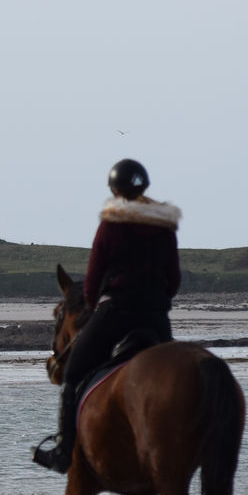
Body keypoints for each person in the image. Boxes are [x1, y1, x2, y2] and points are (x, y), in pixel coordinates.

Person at [32, 158, 181, 473]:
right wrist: (156, 303)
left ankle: (63, 452)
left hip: (116, 311)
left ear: (114, 189)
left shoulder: (111, 225)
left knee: (72, 375)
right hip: (156, 316)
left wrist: (94, 302)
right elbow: (174, 279)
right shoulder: (164, 226)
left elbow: (92, 281)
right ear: (144, 188)